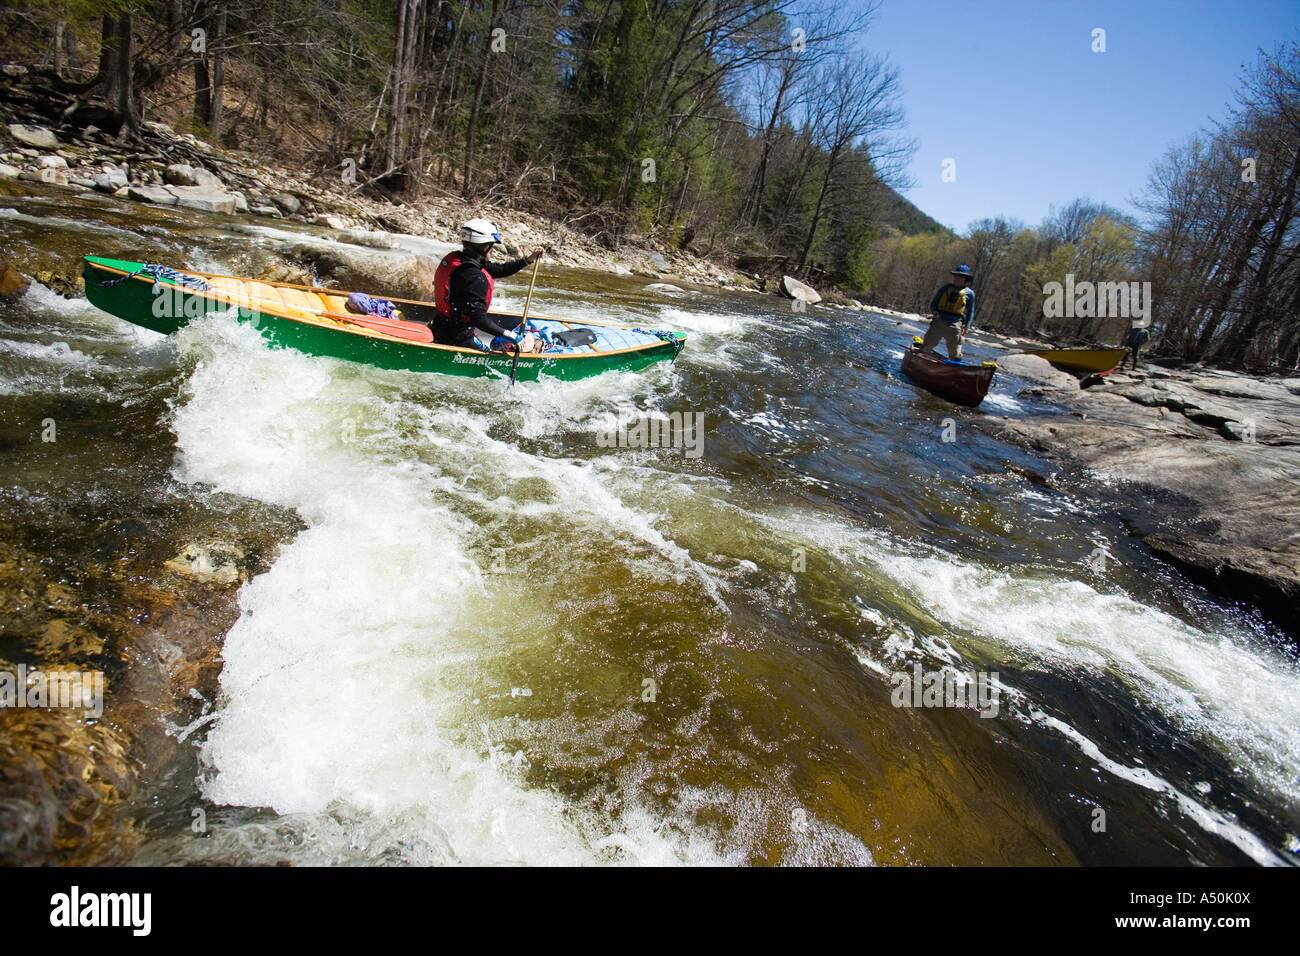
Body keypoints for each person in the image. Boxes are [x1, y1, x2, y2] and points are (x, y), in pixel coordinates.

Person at [430, 218, 544, 351]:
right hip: (459, 338)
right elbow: (478, 319)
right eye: (491, 246)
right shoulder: (475, 277)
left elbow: (501, 269)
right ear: (484, 246)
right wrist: (511, 335)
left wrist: (528, 260)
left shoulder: (461, 261)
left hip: (439, 326)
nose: (492, 250)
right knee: (496, 351)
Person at [921, 264, 976, 361]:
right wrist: (934, 311)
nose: (957, 278)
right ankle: (922, 359)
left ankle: (953, 367)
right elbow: (934, 303)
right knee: (926, 346)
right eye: (956, 276)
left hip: (955, 324)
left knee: (955, 354)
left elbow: (970, 311)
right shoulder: (945, 288)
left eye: (961, 276)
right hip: (939, 321)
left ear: (966, 279)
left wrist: (966, 326)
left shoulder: (970, 294)